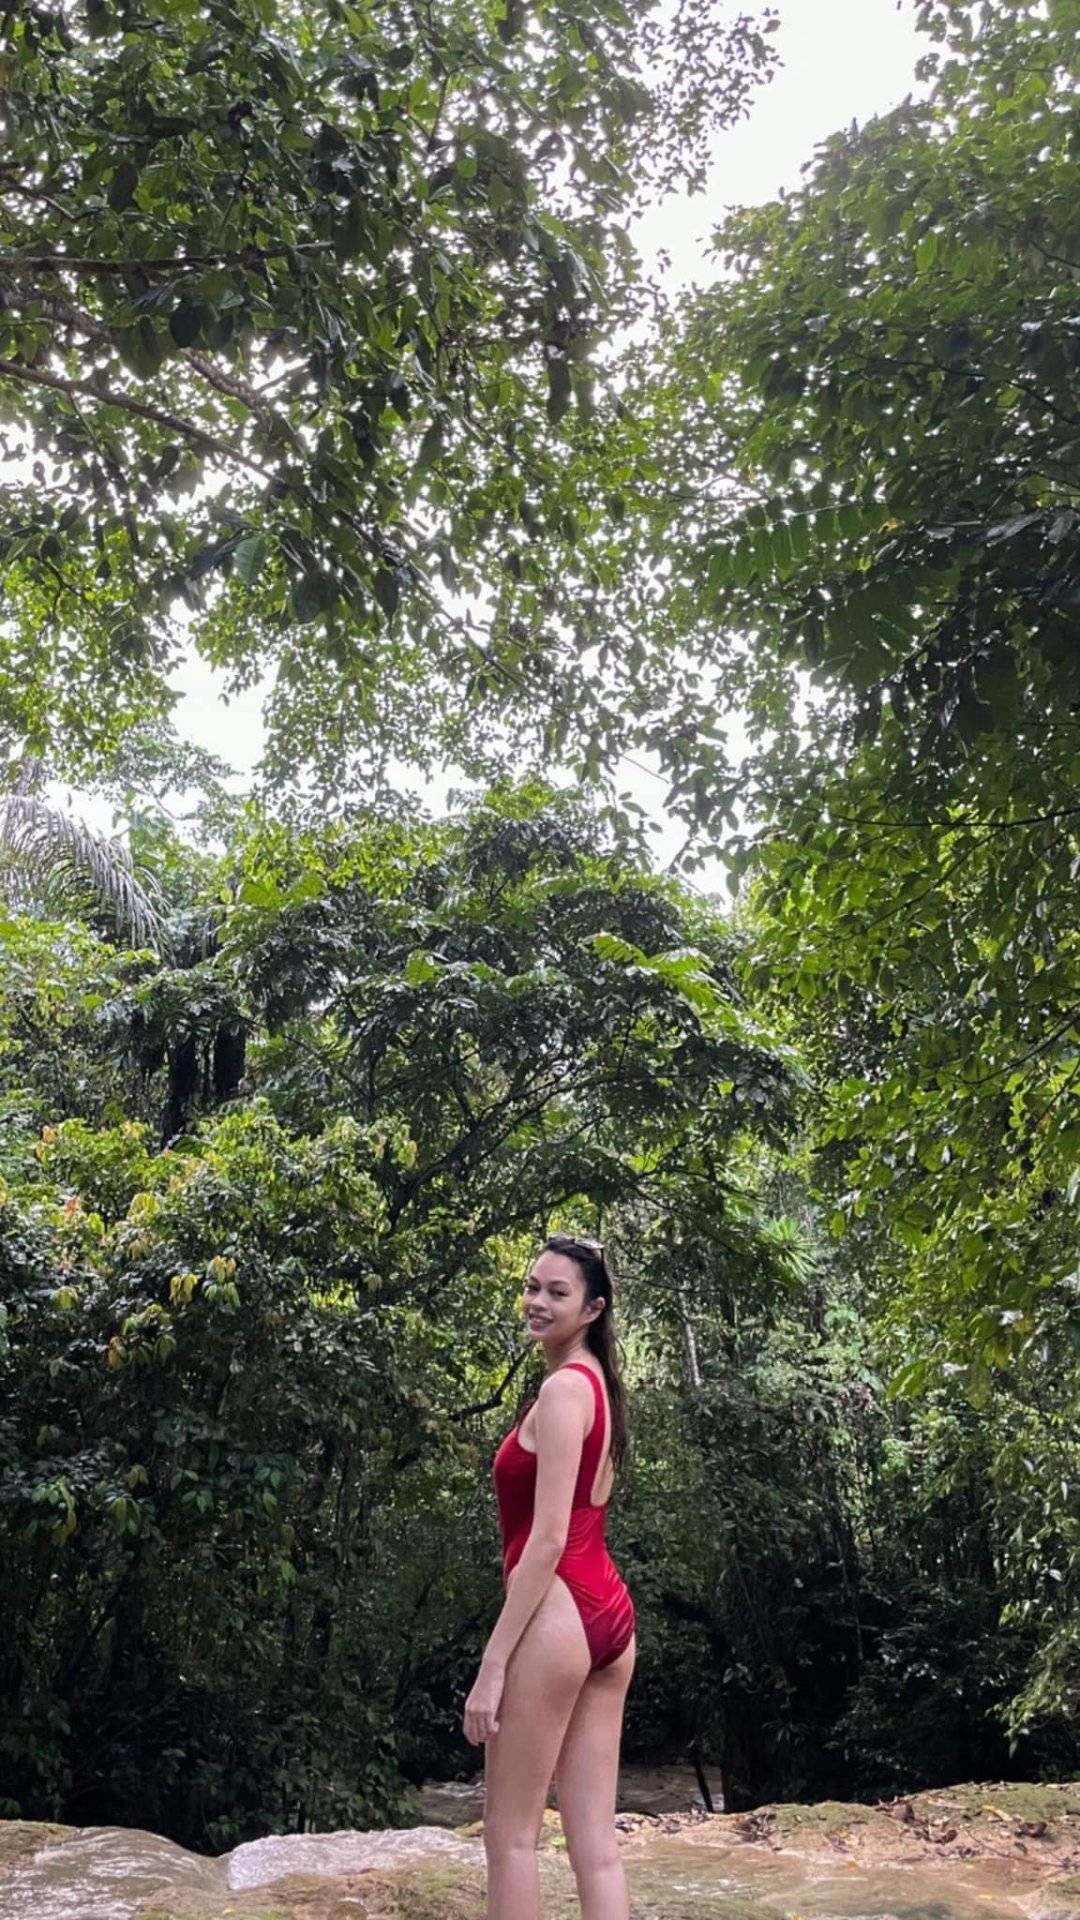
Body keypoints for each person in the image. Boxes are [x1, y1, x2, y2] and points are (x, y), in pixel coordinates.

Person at [463, 1232, 636, 1920]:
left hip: (559, 1613)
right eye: (533, 1287)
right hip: (608, 1615)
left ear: (592, 1308)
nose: (537, 1301)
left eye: (557, 1292)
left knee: (510, 1838)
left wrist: (493, 1664)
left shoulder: (565, 1389)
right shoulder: (599, 1383)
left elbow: (549, 1539)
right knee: (595, 1845)